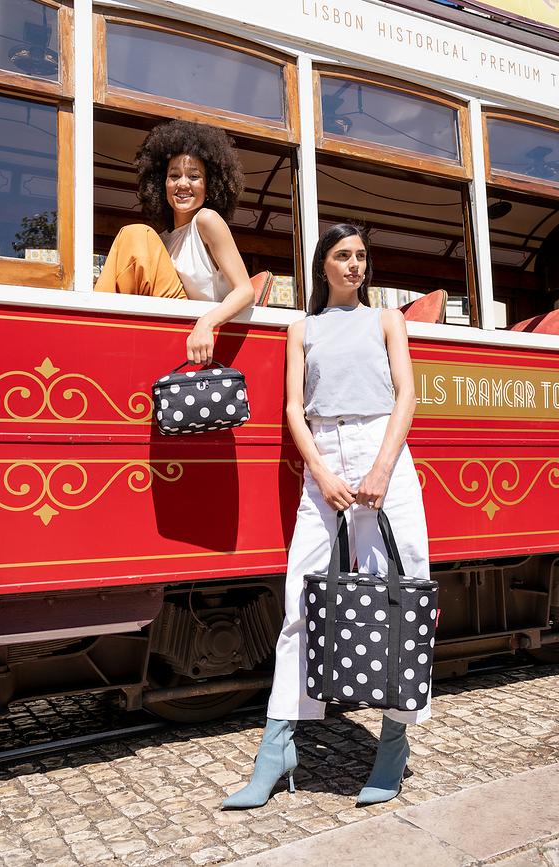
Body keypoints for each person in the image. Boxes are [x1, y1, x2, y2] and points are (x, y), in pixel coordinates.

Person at [221, 223, 430, 810]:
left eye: (361, 256)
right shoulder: (302, 328)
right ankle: (276, 749)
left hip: (383, 452)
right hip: (323, 464)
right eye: (343, 255)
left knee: (401, 594)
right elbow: (293, 408)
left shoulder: (386, 320)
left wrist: (381, 468)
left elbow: (407, 395)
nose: (355, 265)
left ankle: (393, 745)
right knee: (301, 600)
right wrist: (321, 470)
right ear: (323, 265)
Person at [96, 119, 255, 365]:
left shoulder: (207, 220)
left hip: (198, 336)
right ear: (163, 185)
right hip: (167, 335)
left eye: (194, 176)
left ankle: (97, 329)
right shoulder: (161, 242)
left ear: (209, 188)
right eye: (174, 176)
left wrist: (206, 323)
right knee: (135, 238)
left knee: (137, 234)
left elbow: (245, 292)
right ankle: (102, 327)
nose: (183, 183)